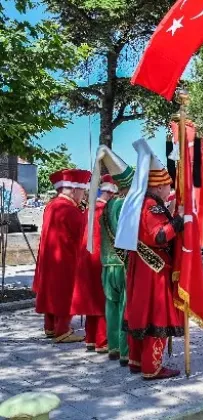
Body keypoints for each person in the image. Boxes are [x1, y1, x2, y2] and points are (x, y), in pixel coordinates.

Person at [116, 139, 184, 379]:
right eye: (167, 186)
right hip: (153, 270)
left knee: (140, 315)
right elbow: (159, 235)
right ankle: (152, 367)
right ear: (158, 187)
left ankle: (136, 361)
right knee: (156, 315)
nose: (169, 190)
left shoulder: (141, 203)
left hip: (141, 266)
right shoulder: (152, 206)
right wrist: (180, 221)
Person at [32, 169, 91, 343]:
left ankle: (50, 327)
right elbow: (84, 231)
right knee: (66, 293)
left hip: (50, 257)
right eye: (82, 191)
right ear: (74, 190)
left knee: (51, 292)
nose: (83, 194)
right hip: (65, 259)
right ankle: (63, 330)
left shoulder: (52, 205)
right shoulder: (68, 209)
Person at [93, 146, 134, 365]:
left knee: (111, 306)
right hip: (122, 263)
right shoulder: (126, 205)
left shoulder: (108, 204)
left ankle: (113, 347)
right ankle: (125, 351)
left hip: (106, 263)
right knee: (124, 306)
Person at [71, 174, 118, 353]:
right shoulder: (104, 211)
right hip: (100, 260)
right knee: (103, 300)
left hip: (86, 259)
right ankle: (102, 340)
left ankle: (91, 338)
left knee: (92, 298)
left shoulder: (89, 210)